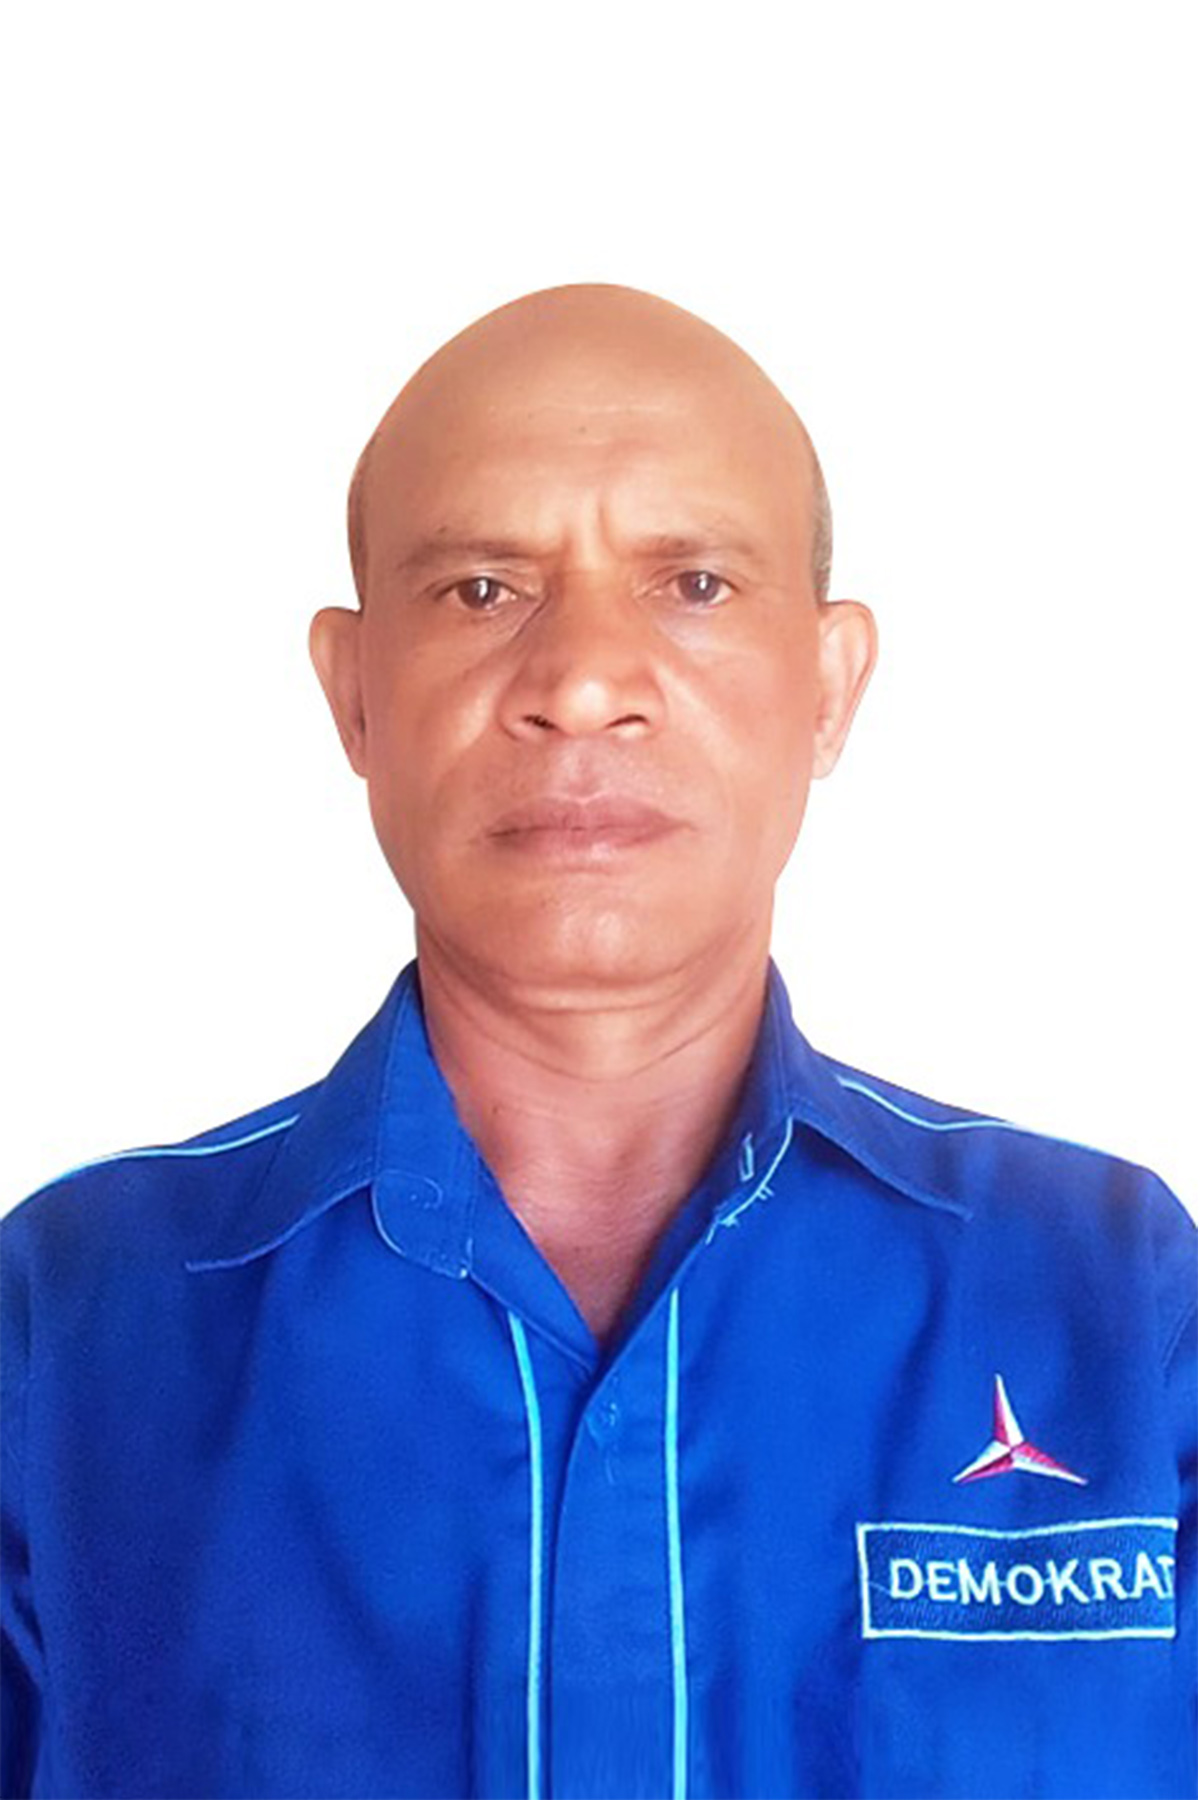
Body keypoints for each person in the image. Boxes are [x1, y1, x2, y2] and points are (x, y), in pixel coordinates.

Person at [1, 284, 1193, 1800]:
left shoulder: (1115, 1298)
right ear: (354, 693)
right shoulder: (70, 1324)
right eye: (480, 590)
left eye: (694, 583)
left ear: (829, 689)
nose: (579, 683)